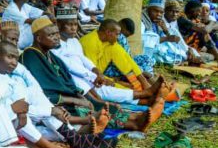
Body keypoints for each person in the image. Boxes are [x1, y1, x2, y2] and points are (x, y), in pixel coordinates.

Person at [25, 17, 161, 132]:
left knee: (99, 105)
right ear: (39, 38)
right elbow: (45, 88)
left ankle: (135, 119)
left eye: (56, 34)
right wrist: (74, 99)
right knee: (94, 109)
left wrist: (78, 94)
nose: (56, 38)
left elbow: (66, 78)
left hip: (70, 94)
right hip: (54, 102)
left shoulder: (49, 54)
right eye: (51, 35)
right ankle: (133, 123)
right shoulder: (31, 55)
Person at [55, 6, 164, 104]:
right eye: (70, 25)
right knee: (109, 89)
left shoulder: (74, 41)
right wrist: (100, 77)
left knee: (117, 51)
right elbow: (71, 66)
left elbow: (85, 61)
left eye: (75, 24)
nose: (74, 28)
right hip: (79, 78)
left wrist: (97, 73)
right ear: (59, 25)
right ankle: (144, 95)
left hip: (92, 75)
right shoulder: (82, 43)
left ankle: (143, 86)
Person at [80, 19, 153, 91]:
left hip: (100, 71)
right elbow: (92, 73)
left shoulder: (107, 40)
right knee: (130, 89)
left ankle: (141, 82)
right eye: (117, 34)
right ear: (108, 32)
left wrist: (141, 78)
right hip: (89, 76)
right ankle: (136, 89)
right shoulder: (90, 43)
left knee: (116, 49)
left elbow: (127, 58)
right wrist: (116, 82)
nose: (118, 37)